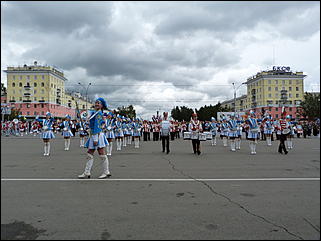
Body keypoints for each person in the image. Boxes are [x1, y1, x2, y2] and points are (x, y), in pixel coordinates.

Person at [78, 97, 111, 179]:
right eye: (96, 102)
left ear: (102, 105)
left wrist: (95, 139)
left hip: (97, 135)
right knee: (89, 153)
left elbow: (98, 126)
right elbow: (92, 124)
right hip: (93, 135)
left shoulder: (99, 114)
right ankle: (87, 172)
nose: (96, 104)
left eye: (98, 103)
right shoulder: (95, 113)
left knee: (101, 153)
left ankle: (106, 172)